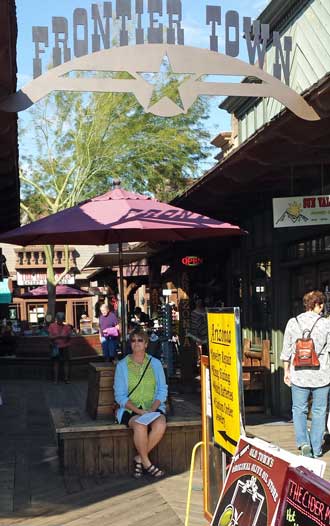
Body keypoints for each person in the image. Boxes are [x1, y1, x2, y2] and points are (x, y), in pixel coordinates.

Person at [281, 290, 330, 458]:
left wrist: (286, 371)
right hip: (322, 375)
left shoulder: (293, 322)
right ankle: (316, 448)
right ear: (319, 305)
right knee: (319, 410)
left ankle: (303, 443)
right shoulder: (326, 324)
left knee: (299, 409)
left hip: (299, 374)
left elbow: (286, 350)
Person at [114, 327, 167, 479]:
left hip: (153, 408)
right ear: (130, 344)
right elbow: (120, 396)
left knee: (160, 424)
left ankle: (139, 458)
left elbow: (162, 390)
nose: (136, 343)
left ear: (146, 344)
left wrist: (152, 409)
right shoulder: (122, 365)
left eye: (140, 340)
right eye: (133, 340)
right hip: (131, 410)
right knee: (140, 425)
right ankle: (147, 463)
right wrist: (139, 412)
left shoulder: (155, 364)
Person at [48, 312, 72, 384]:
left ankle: (66, 379)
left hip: (65, 346)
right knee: (56, 363)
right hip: (56, 347)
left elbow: (70, 337)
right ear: (56, 318)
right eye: (59, 319)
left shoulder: (67, 327)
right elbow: (49, 337)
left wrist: (66, 337)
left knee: (66, 363)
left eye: (62, 319)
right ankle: (55, 380)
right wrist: (58, 336)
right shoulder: (52, 326)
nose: (60, 321)